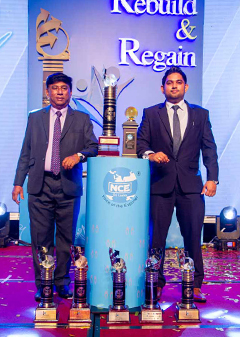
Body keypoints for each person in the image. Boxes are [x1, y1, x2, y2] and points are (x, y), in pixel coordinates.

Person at [12, 73, 98, 301]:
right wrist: (18, 182)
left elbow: (93, 147)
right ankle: (44, 283)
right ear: (47, 92)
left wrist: (78, 156)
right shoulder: (35, 117)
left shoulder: (81, 118)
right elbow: (25, 152)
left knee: (65, 239)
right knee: (41, 239)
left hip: (68, 185)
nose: (59, 92)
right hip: (40, 184)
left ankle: (61, 282)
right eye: (55, 88)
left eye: (64, 88)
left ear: (70, 92)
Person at [137, 66, 218, 303]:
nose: (174, 86)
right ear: (162, 88)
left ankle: (193, 285)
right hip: (160, 186)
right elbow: (140, 145)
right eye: (170, 82)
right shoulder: (151, 113)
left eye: (179, 82)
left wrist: (212, 178)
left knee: (193, 236)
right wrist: (151, 154)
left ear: (186, 87)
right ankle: (156, 282)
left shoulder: (200, 115)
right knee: (157, 239)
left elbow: (209, 149)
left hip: (191, 187)